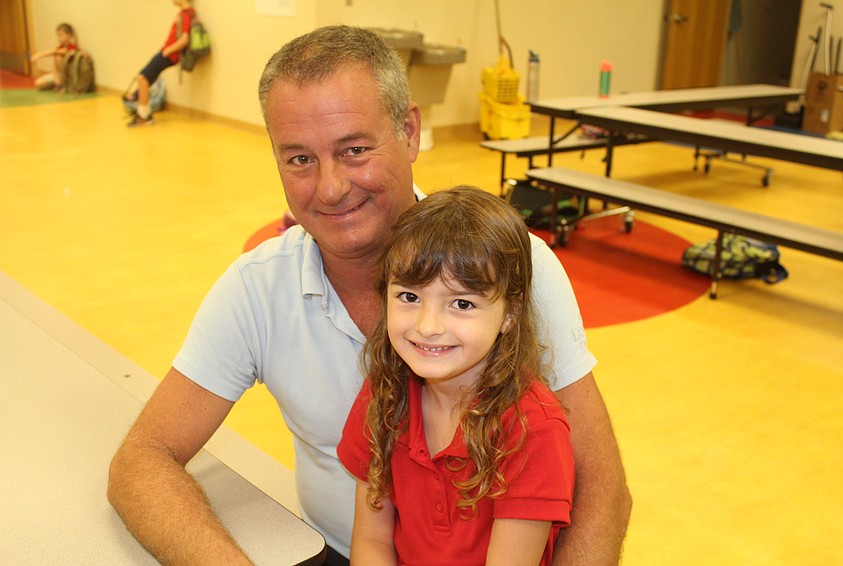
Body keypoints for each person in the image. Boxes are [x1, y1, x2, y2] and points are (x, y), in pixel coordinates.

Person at [108, 25, 631, 565]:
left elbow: (601, 487)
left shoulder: (514, 267)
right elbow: (144, 457)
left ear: (409, 132)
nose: (330, 188)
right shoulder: (257, 289)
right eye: (299, 159)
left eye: (354, 149)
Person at [338, 186, 574, 565]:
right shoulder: (382, 394)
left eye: (462, 303)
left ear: (510, 314)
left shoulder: (534, 429)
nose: (428, 326)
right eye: (409, 297)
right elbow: (372, 542)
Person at [125, 0, 194, 127]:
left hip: (169, 54)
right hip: (166, 52)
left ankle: (144, 115)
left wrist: (168, 51)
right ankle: (141, 108)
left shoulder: (186, 14)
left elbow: (185, 39)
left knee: (143, 78)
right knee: (144, 79)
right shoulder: (183, 13)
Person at [30, 23, 78, 92]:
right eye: (58, 35)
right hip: (58, 76)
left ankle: (60, 85)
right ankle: (57, 84)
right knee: (38, 83)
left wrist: (39, 55)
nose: (59, 38)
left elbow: (55, 51)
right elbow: (54, 51)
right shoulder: (59, 47)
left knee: (58, 56)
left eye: (61, 35)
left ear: (69, 35)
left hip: (68, 76)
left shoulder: (72, 48)